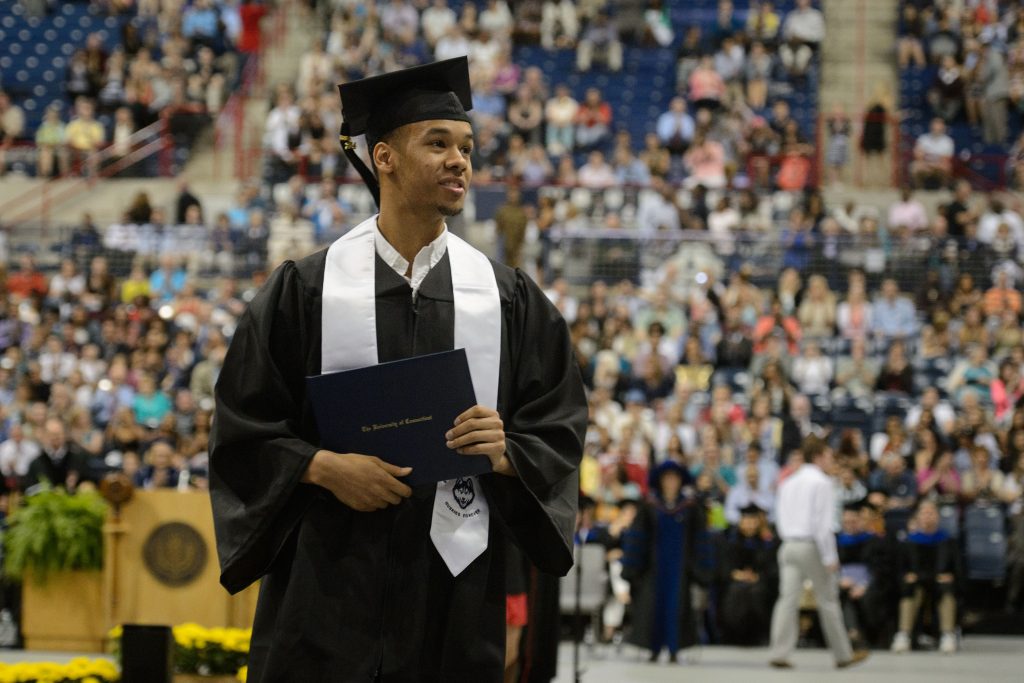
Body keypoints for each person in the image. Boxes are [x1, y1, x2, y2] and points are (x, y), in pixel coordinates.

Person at [210, 57, 587, 682]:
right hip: (328, 584)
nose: (459, 161)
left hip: (455, 593)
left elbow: (558, 428)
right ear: (383, 157)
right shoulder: (307, 291)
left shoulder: (506, 299)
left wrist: (503, 453)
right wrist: (321, 466)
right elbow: (241, 426)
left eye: (466, 147)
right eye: (437, 143)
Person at [768, 437, 868, 669]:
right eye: (829, 456)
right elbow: (822, 525)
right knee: (828, 600)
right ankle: (843, 654)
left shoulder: (788, 482)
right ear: (819, 456)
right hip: (811, 545)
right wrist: (830, 557)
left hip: (788, 544)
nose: (831, 460)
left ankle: (779, 652)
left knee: (787, 600)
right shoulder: (822, 483)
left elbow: (780, 517)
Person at [622, 460, 702, 663]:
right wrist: (633, 568)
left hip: (679, 566)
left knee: (677, 606)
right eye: (667, 478)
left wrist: (699, 568)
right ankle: (654, 648)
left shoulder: (690, 507)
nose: (671, 482)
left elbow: (699, 539)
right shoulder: (650, 505)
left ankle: (675, 649)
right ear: (660, 480)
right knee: (653, 607)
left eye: (674, 478)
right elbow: (638, 536)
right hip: (654, 566)